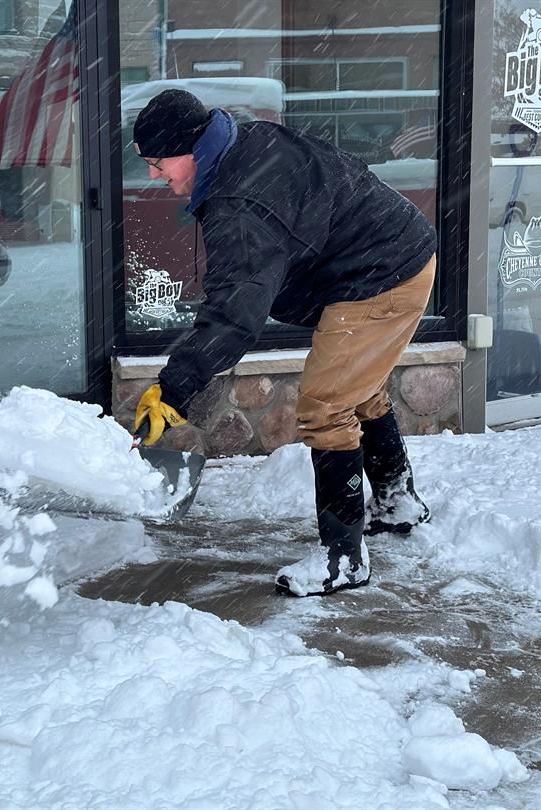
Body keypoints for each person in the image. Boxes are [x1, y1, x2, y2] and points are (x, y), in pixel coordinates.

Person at [131, 88, 437, 597]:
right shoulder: (245, 142)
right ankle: (396, 500)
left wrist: (176, 385)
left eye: (158, 162)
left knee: (325, 402)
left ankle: (344, 558)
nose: (153, 175)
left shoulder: (239, 201)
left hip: (381, 274)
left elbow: (235, 312)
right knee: (358, 388)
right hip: (384, 255)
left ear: (188, 147)